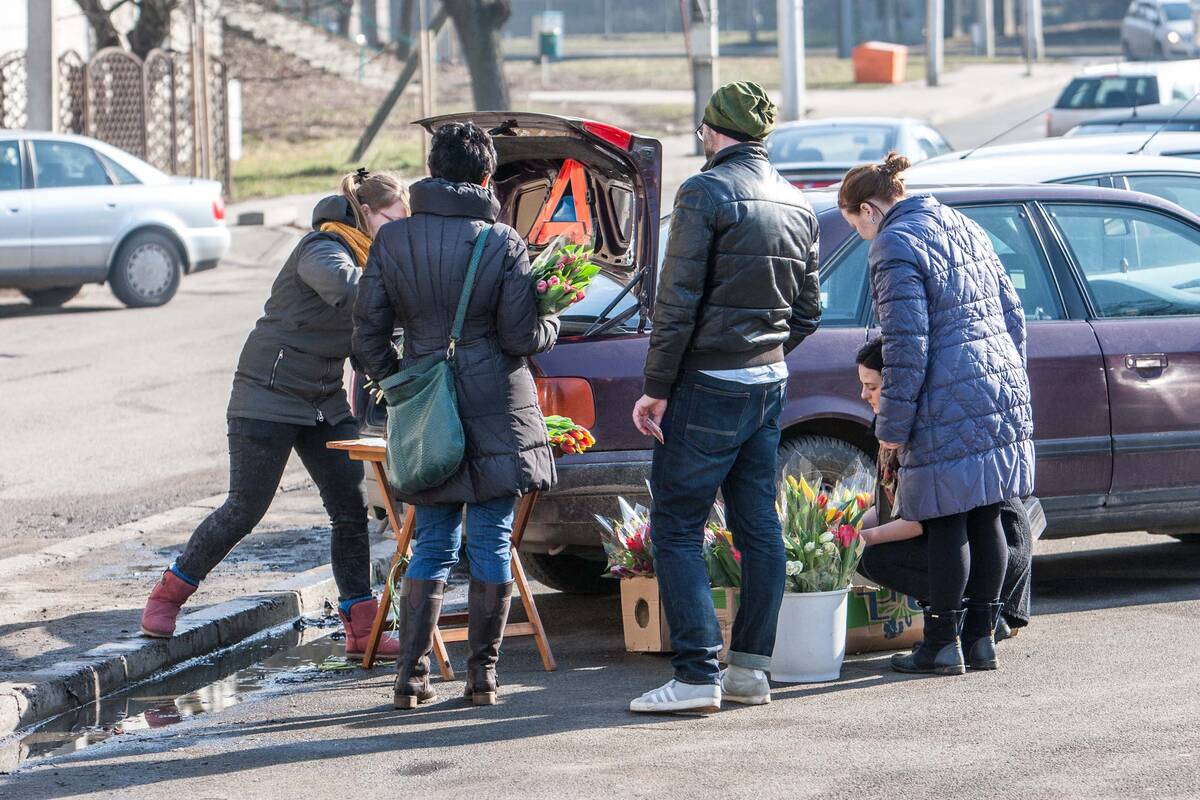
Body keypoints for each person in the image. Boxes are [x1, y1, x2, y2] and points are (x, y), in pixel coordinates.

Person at [141, 171, 411, 661]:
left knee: (350, 510)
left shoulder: (374, 259)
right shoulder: (323, 247)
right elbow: (348, 292)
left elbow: (369, 347)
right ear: (367, 214)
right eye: (393, 219)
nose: (400, 229)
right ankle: (166, 597)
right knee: (245, 507)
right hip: (267, 393)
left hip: (324, 402)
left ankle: (361, 628)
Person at [628, 81, 821, 714]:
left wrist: (656, 387)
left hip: (708, 383)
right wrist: (760, 352)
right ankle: (749, 672)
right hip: (767, 381)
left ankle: (693, 676)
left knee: (677, 525)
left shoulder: (705, 191)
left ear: (712, 132)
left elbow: (675, 303)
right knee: (758, 526)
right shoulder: (797, 201)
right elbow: (808, 313)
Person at [352, 122, 559, 710]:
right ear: (487, 177)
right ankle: (483, 678)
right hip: (498, 406)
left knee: (432, 542)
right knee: (492, 538)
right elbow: (521, 335)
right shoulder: (501, 242)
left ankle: (410, 679)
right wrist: (552, 324)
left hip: (426, 410)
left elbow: (365, 334)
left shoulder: (393, 242)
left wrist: (403, 380)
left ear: (432, 170)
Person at [839, 152, 1035, 676]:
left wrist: (892, 428)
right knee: (987, 512)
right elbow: (1013, 313)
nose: (861, 237)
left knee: (946, 521)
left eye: (855, 225)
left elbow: (905, 346)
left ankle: (941, 644)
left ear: (868, 209)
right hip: (999, 386)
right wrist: (1004, 379)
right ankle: (981, 642)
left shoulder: (894, 244)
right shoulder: (963, 224)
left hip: (943, 396)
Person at [853, 337, 1032, 647]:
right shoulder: (895, 424)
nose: (863, 394)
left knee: (874, 557)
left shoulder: (922, 430)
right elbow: (894, 505)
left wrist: (859, 539)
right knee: (870, 551)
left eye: (872, 386)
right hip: (972, 542)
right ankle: (974, 624)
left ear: (896, 385)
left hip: (996, 549)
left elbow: (919, 520)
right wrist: (846, 524)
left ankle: (968, 618)